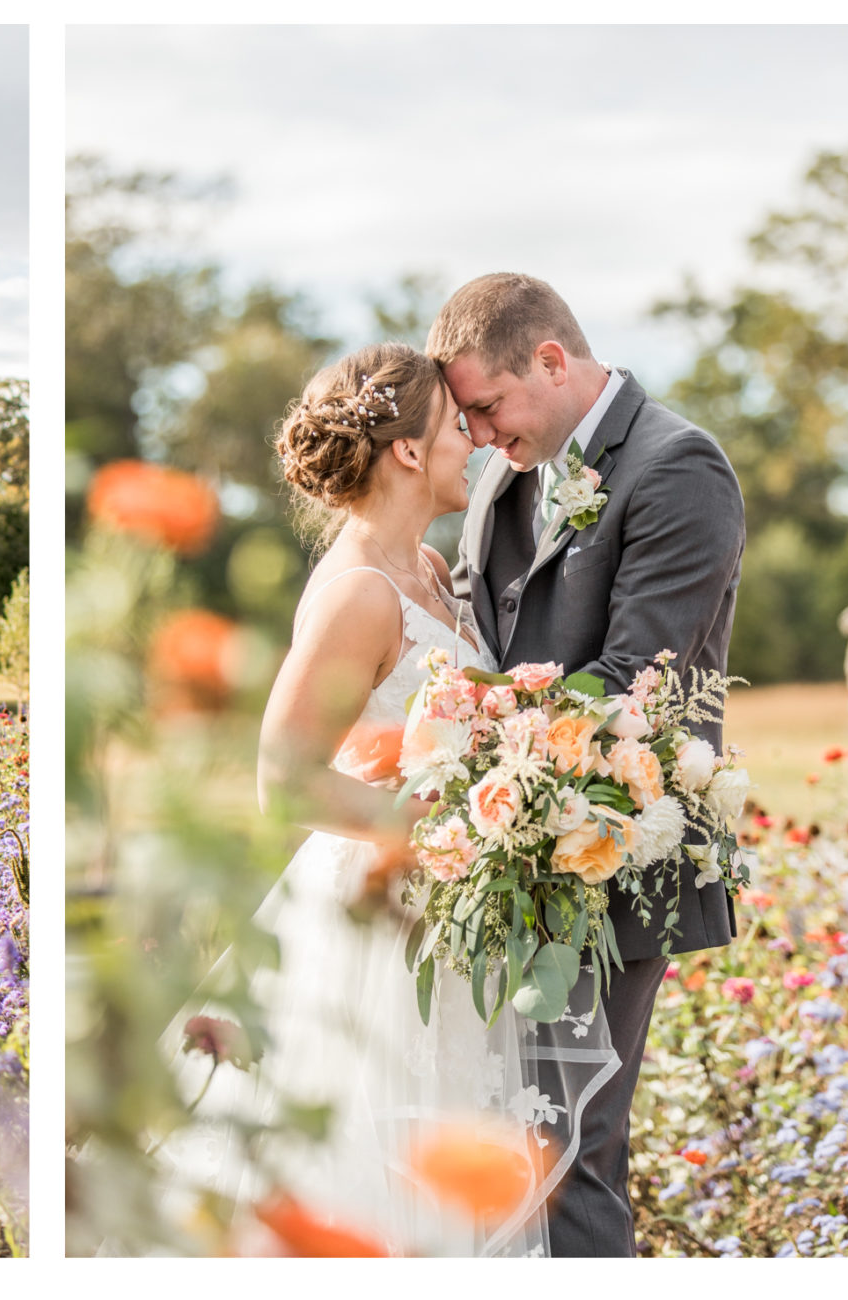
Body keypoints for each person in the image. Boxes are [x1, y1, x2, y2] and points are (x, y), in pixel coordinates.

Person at [157, 343, 617, 1257]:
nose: (477, 446)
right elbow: (281, 780)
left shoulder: (435, 575)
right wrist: (446, 834)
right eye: (459, 427)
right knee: (377, 1170)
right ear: (409, 451)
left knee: (450, 1168)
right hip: (377, 914)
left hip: (442, 917)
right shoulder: (360, 593)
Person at [427, 272, 744, 1257]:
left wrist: (468, 718)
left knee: (566, 1151)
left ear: (551, 361)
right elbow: (483, 631)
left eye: (485, 406)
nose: (476, 435)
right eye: (463, 419)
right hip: (499, 848)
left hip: (611, 848)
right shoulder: (501, 474)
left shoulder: (675, 467)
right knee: (497, 1137)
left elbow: (629, 680)